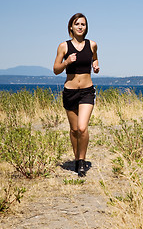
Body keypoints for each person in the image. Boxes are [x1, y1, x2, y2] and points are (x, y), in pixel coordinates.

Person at [53, 13, 99, 177]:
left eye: (83, 24)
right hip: (70, 92)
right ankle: (76, 159)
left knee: (82, 127)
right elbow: (56, 70)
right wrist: (66, 62)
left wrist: (96, 64)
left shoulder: (92, 44)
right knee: (73, 130)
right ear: (71, 27)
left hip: (87, 91)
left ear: (86, 27)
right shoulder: (63, 47)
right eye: (77, 24)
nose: (80, 27)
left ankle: (81, 162)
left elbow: (94, 57)